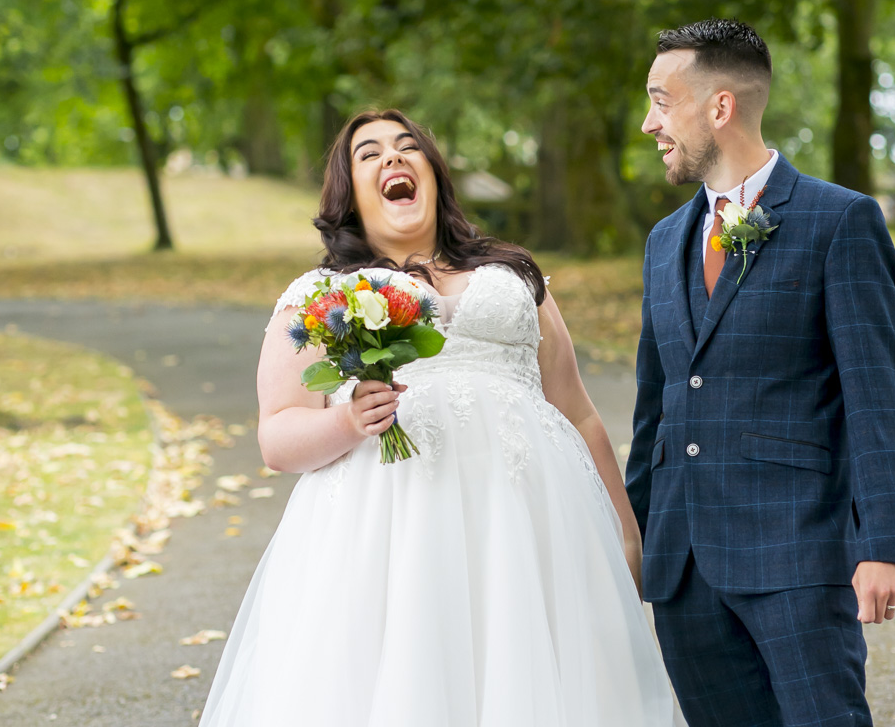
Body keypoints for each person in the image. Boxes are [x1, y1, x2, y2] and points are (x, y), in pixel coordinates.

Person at [199, 109, 674, 726]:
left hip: (530, 533)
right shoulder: (321, 296)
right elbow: (278, 436)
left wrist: (625, 533)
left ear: (433, 172)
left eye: (407, 147)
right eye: (369, 154)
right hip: (386, 539)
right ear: (349, 192)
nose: (393, 158)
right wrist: (346, 423)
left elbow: (577, 413)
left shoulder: (514, 274)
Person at [629, 18, 895, 727]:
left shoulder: (840, 221)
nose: (648, 123)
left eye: (662, 101)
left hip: (797, 553)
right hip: (683, 564)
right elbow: (653, 405)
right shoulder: (665, 240)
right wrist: (631, 540)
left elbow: (876, 397)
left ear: (719, 107)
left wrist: (884, 547)